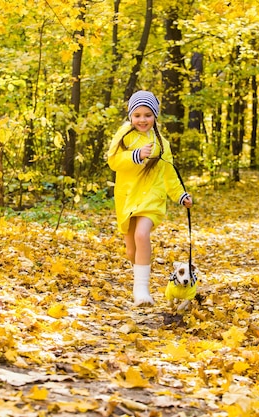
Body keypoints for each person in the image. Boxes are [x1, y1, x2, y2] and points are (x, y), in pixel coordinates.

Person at [107, 90, 193, 306]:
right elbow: (113, 161)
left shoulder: (161, 142)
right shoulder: (124, 135)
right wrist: (135, 155)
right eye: (137, 115)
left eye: (147, 115)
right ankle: (139, 281)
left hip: (152, 197)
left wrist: (180, 195)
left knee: (142, 235)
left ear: (155, 116)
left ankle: (141, 291)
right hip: (127, 197)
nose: (142, 120)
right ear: (130, 116)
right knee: (131, 250)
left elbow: (169, 173)